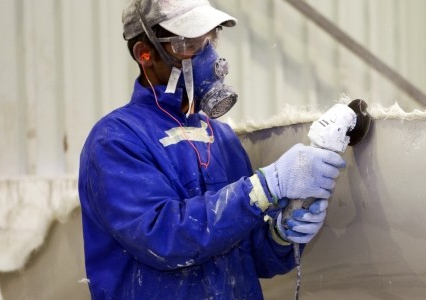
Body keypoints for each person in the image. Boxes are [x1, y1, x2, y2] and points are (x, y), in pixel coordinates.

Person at [77, 0, 346, 299]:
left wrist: (279, 236)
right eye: (189, 44)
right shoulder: (116, 140)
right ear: (146, 54)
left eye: (211, 38)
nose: (211, 57)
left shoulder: (221, 138)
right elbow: (163, 238)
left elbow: (248, 254)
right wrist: (262, 189)